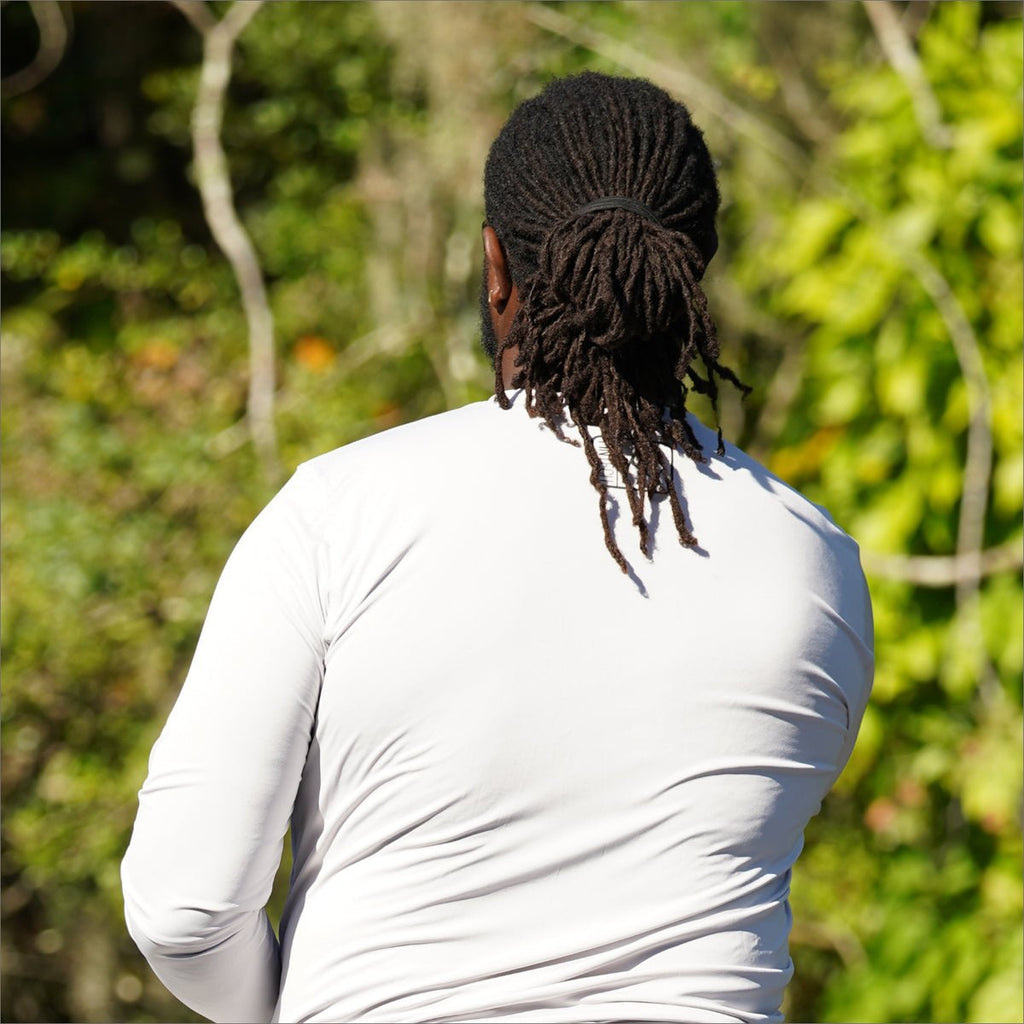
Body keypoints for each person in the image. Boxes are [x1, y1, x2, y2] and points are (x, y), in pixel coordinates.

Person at [122, 72, 873, 1024]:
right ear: (694, 273)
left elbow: (185, 912)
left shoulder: (340, 512)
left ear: (495, 268)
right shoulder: (815, 563)